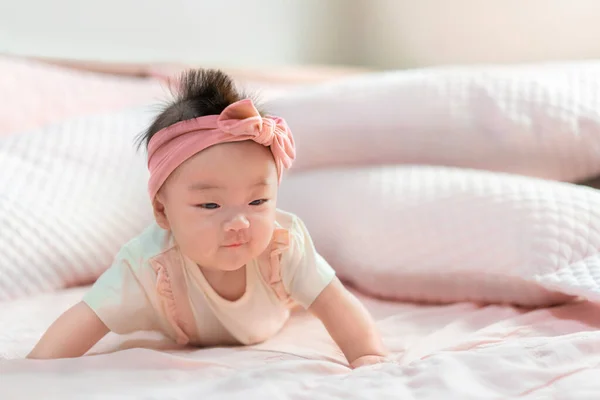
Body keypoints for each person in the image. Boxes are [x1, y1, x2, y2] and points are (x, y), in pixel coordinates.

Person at [27, 69, 388, 368]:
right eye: (210, 206)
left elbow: (335, 302)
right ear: (162, 212)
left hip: (272, 314)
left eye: (258, 200)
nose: (238, 223)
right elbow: (86, 317)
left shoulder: (282, 247)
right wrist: (33, 369)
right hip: (176, 323)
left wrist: (368, 356)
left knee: (309, 295)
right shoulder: (148, 266)